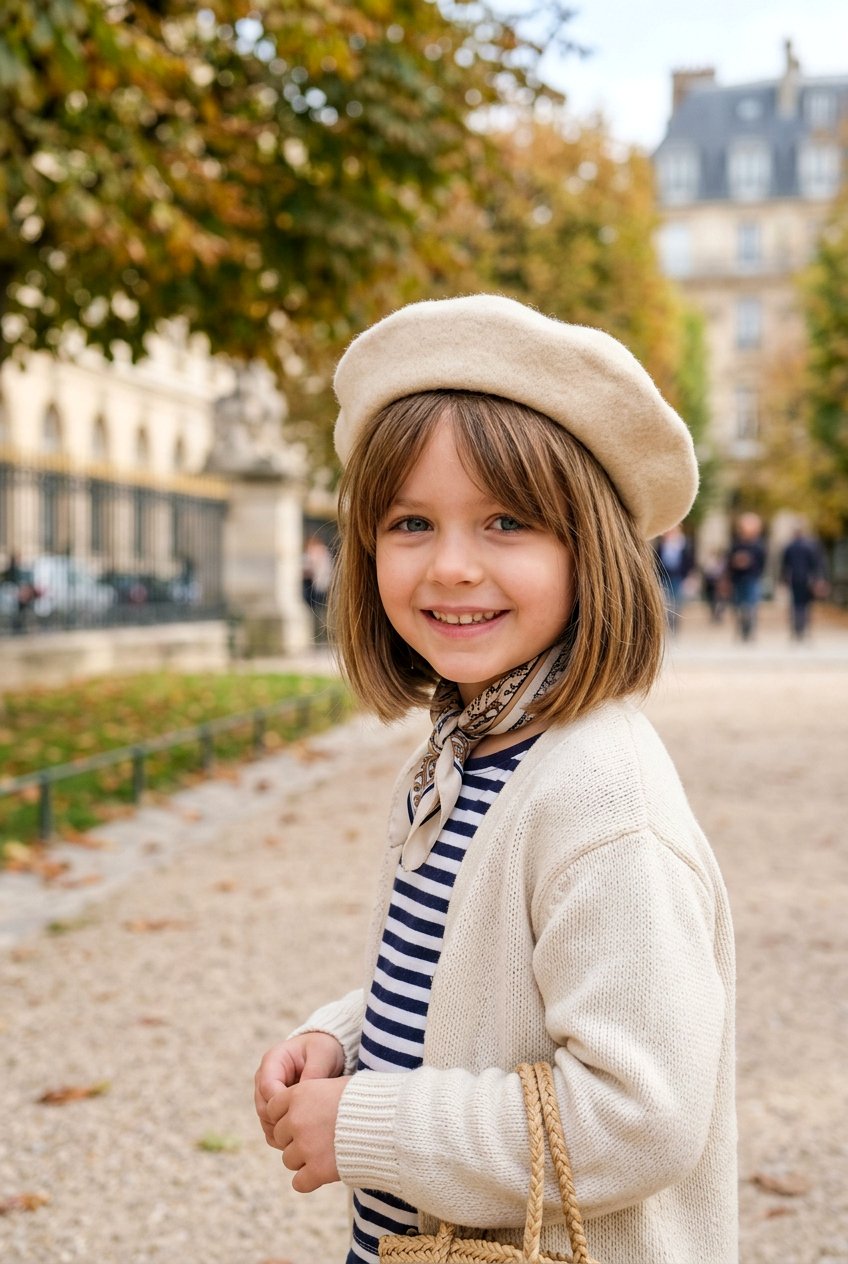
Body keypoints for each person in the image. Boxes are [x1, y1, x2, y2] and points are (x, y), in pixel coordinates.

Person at [253, 296, 737, 1264]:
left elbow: (638, 1114)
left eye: (506, 521)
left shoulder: (601, 800)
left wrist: (365, 1121)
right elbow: (470, 987)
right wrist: (343, 1040)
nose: (451, 566)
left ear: (589, 548)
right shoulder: (461, 750)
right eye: (410, 522)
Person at [780, 524, 826, 640]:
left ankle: (797, 629)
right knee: (806, 605)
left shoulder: (789, 547)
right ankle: (804, 628)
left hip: (795, 579)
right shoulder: (810, 546)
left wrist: (783, 579)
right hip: (807, 580)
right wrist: (818, 579)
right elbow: (817, 564)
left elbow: (784, 565)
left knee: (796, 605)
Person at [726, 511, 767, 642]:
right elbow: (729, 560)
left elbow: (762, 562)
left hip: (752, 578)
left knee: (751, 606)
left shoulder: (759, 544)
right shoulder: (736, 543)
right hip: (738, 579)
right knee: (738, 606)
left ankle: (750, 631)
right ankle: (741, 630)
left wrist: (748, 562)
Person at [653, 524, 694, 632]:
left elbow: (689, 561)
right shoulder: (662, 544)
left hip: (678, 576)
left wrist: (688, 576)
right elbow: (657, 559)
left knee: (676, 600)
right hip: (665, 575)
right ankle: (668, 621)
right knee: (666, 599)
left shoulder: (683, 544)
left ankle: (675, 622)